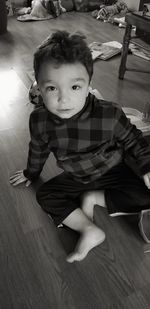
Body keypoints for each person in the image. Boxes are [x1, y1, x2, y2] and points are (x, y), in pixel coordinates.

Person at [10, 30, 150, 263]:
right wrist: (30, 173)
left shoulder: (109, 114)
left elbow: (133, 139)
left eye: (75, 87)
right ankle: (88, 229)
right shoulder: (40, 121)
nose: (63, 100)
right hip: (76, 177)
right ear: (38, 87)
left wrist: (147, 166)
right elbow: (38, 150)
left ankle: (94, 198)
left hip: (114, 171)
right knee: (45, 194)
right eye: (52, 88)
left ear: (88, 85)